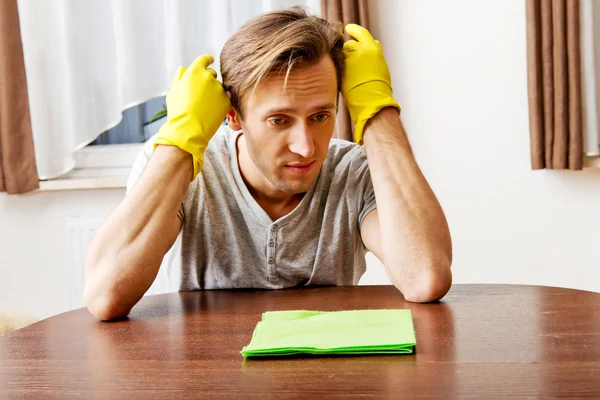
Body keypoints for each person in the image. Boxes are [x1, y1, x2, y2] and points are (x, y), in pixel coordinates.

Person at [83, 8, 453, 321]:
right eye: (279, 120)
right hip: (209, 376)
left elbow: (424, 277)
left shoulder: (354, 171)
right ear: (233, 116)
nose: (305, 147)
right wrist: (180, 140)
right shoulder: (184, 170)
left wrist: (378, 110)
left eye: (321, 116)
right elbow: (105, 296)